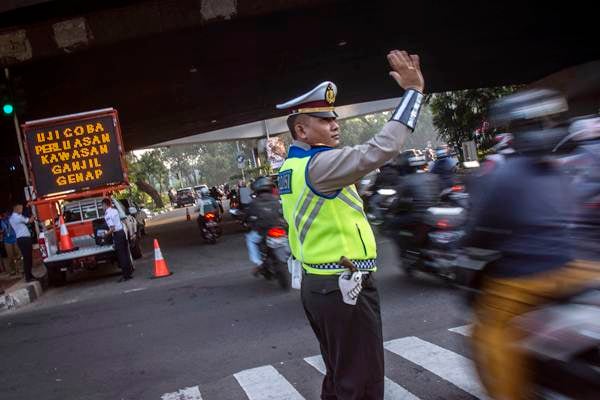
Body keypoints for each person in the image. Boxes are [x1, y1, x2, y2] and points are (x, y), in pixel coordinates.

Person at [277, 50, 425, 399]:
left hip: (319, 284)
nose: (335, 124)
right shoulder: (321, 165)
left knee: (342, 376)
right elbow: (382, 148)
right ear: (301, 129)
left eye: (334, 118)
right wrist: (413, 93)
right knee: (363, 383)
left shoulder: (292, 168)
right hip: (342, 286)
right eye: (325, 120)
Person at [464, 89, 600, 400]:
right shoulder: (567, 166)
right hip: (575, 268)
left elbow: (479, 229)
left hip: (523, 279)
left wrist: (469, 241)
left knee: (491, 333)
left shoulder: (503, 175)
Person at [244, 176, 284, 275]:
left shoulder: (254, 203)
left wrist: (246, 221)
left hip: (262, 231)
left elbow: (247, 216)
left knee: (250, 239)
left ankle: (259, 263)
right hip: (279, 228)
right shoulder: (278, 200)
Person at [101, 198, 133, 282]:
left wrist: (105, 234)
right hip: (122, 232)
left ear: (105, 205)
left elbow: (112, 228)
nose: (102, 207)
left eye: (102, 206)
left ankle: (125, 275)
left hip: (117, 235)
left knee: (121, 256)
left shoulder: (107, 215)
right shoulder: (115, 211)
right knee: (126, 254)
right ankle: (129, 273)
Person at [9, 203, 35, 282]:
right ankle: (28, 277)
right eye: (21, 209)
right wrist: (33, 212)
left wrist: (27, 208)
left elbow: (24, 218)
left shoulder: (12, 218)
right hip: (24, 239)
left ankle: (29, 275)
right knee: (28, 258)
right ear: (16, 209)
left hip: (21, 239)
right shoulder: (18, 217)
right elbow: (30, 221)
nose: (21, 210)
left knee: (27, 258)